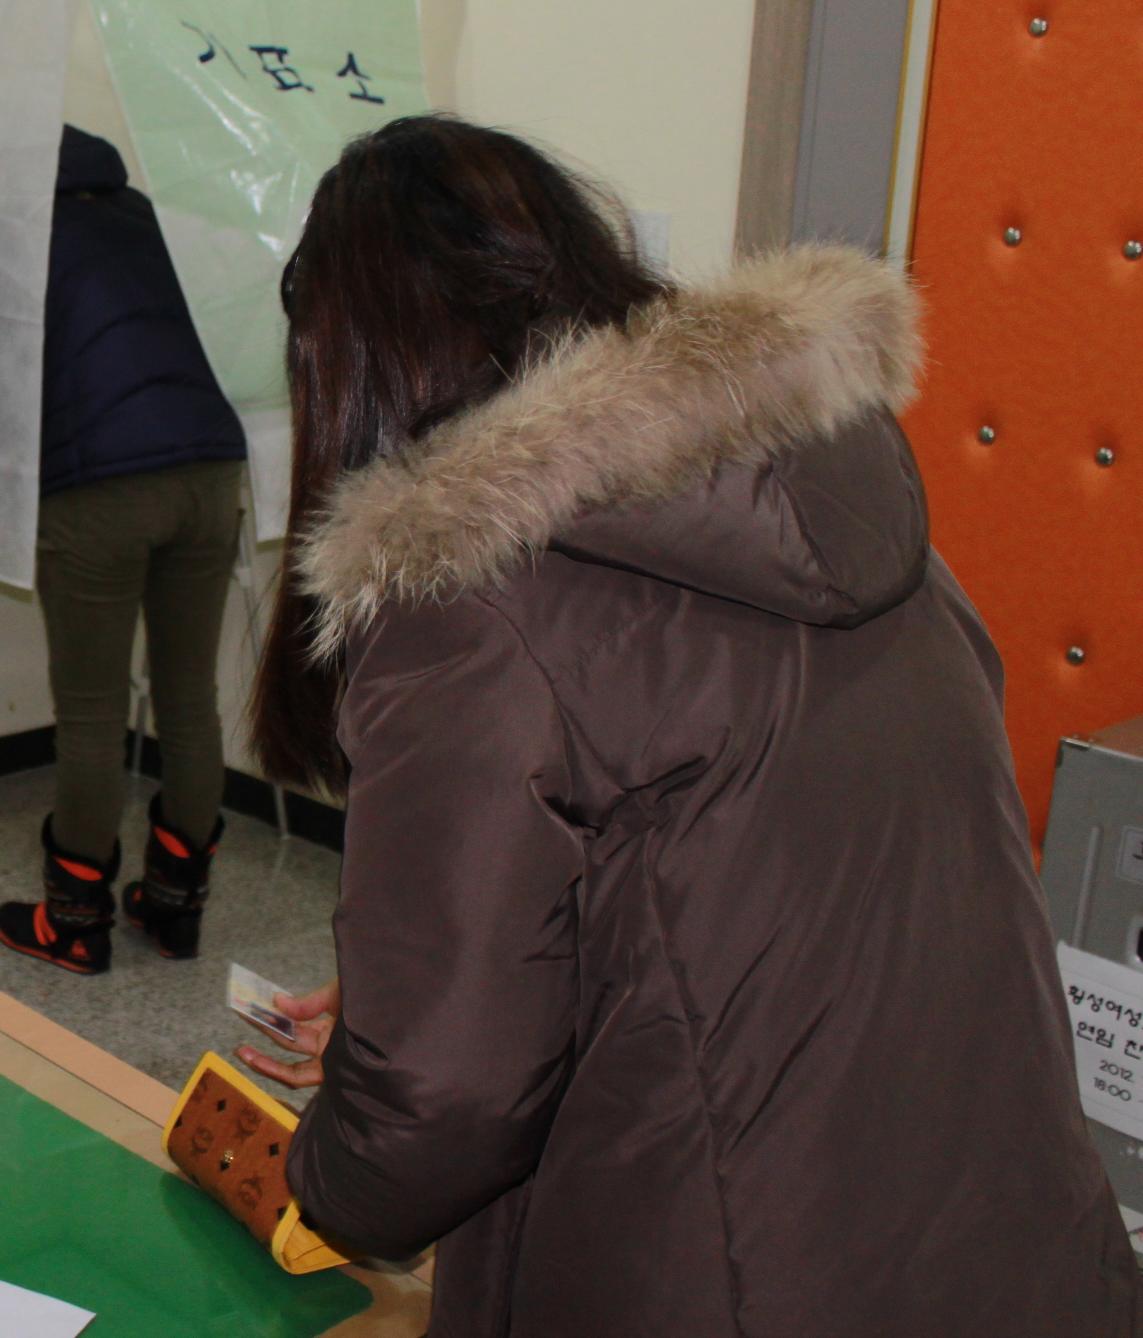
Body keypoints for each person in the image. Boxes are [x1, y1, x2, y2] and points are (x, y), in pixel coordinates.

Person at [237, 116, 1139, 1336]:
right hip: (1010, 1238)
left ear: (355, 370)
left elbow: (441, 1105)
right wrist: (458, 974)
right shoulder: (850, 505)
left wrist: (317, 1176)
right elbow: (750, 887)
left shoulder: (471, 610)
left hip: (739, 1274)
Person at [0, 126, 248, 974]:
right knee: (189, 696)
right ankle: (176, 910)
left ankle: (73, 923)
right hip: (209, 473)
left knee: (92, 713)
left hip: (99, 486)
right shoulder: (148, 217)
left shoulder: (18, 234)